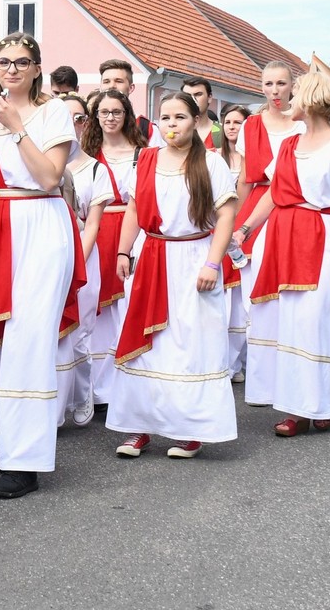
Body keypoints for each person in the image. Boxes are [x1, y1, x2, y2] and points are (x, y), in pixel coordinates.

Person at [0, 32, 82, 498]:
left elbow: (49, 176)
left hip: (39, 222)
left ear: (37, 68)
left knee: (30, 342)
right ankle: (10, 442)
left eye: (21, 61)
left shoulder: (53, 112)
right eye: (3, 61)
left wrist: (16, 128)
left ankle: (27, 460)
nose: (11, 69)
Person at [109, 92, 239, 459]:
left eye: (179, 117)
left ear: (195, 120)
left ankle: (189, 430)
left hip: (194, 256)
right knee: (147, 348)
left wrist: (213, 263)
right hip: (151, 256)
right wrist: (123, 250)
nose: (171, 125)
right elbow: (134, 208)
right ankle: (139, 427)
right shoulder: (146, 160)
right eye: (165, 118)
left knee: (190, 345)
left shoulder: (210, 163)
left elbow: (226, 216)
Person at [236, 73, 330, 437]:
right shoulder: (289, 144)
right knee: (284, 321)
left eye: (295, 95)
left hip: (317, 239)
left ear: (310, 102)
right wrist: (246, 229)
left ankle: (320, 404)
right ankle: (295, 406)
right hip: (279, 237)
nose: (286, 99)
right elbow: (274, 193)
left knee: (315, 322)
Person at [234, 61, 305, 407]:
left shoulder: (306, 122)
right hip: (258, 207)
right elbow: (247, 178)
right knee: (254, 298)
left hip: (294, 209)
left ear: (293, 86)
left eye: (281, 83)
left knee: (289, 295)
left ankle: (291, 374)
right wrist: (234, 221)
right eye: (268, 84)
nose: (275, 90)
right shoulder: (251, 125)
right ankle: (263, 381)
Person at [83, 88, 147, 409]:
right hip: (96, 232)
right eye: (104, 112)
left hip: (129, 233)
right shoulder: (87, 153)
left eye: (116, 112)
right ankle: (95, 390)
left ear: (127, 116)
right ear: (96, 117)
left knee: (125, 310)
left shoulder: (142, 153)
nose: (110, 118)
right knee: (98, 312)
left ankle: (122, 385)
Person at [59, 93, 108, 427]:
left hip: (83, 254)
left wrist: (78, 258)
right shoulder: (45, 162)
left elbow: (93, 221)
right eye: (64, 117)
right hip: (51, 250)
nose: (71, 124)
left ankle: (82, 393)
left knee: (81, 334)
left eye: (78, 118)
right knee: (55, 333)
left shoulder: (95, 169)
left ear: (85, 123)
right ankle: (56, 403)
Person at [217, 104, 251, 381]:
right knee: (222, 298)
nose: (231, 127)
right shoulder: (213, 158)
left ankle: (237, 359)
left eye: (238, 122)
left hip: (243, 226)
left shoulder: (251, 158)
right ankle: (222, 361)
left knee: (240, 298)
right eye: (227, 121)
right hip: (217, 227)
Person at [99, 59, 166, 146]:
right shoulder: (89, 124)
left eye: (118, 81)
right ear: (100, 87)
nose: (112, 86)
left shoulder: (147, 128)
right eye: (106, 81)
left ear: (131, 88)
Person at [182, 77, 219, 147]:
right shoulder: (177, 129)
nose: (193, 99)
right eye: (187, 96)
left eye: (198, 94)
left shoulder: (219, 131)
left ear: (209, 98)